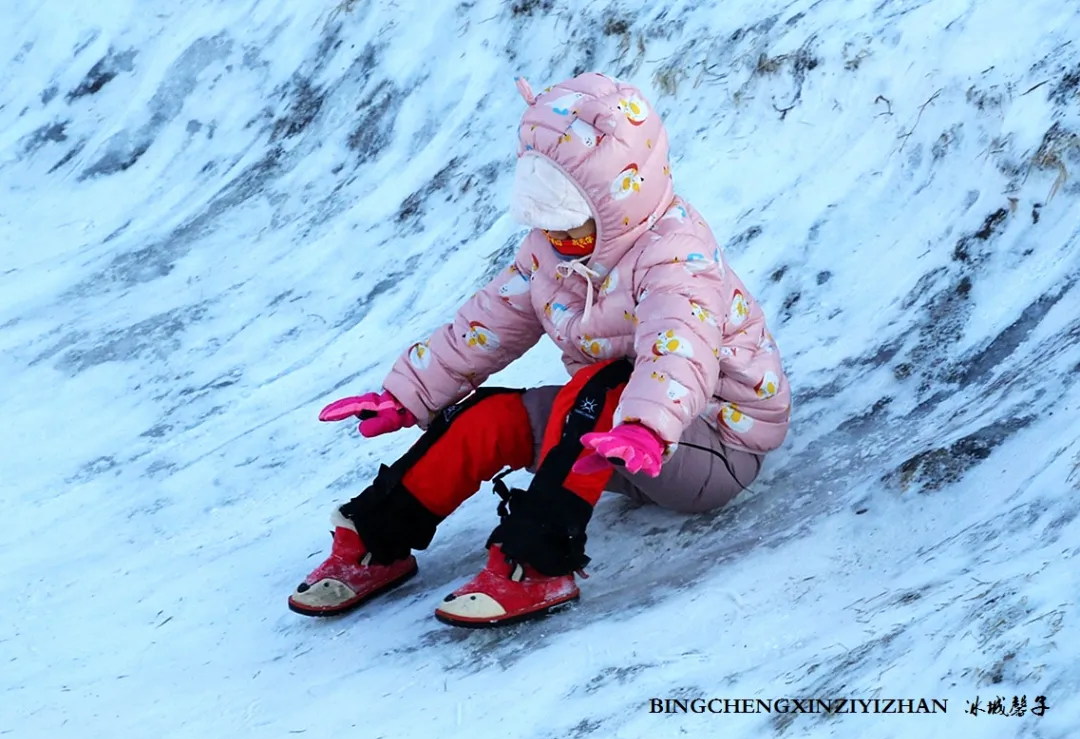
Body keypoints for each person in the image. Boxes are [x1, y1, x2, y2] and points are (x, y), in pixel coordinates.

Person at [288, 72, 791, 627]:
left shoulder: (676, 257)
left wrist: (647, 426)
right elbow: (485, 323)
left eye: (573, 229)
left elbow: (680, 354)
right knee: (491, 415)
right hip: (608, 435)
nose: (561, 245)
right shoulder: (549, 254)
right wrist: (406, 395)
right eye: (549, 227)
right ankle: (377, 538)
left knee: (598, 388)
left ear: (620, 197)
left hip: (712, 441)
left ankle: (536, 563)